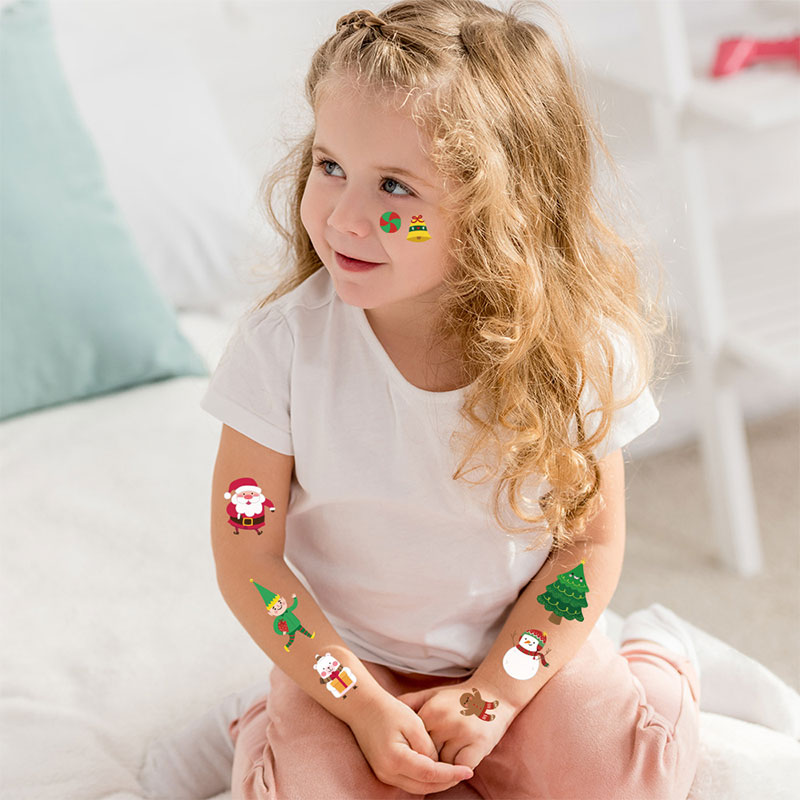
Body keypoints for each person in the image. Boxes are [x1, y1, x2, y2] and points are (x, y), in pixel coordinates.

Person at [143, 2, 703, 798]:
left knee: (621, 780)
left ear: (498, 211)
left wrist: (496, 693)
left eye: (395, 187)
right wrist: (356, 701)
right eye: (330, 166)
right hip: (348, 661)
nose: (342, 215)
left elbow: (588, 545)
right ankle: (259, 721)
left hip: (514, 650)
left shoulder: (575, 353)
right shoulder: (281, 351)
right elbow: (248, 552)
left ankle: (661, 656)